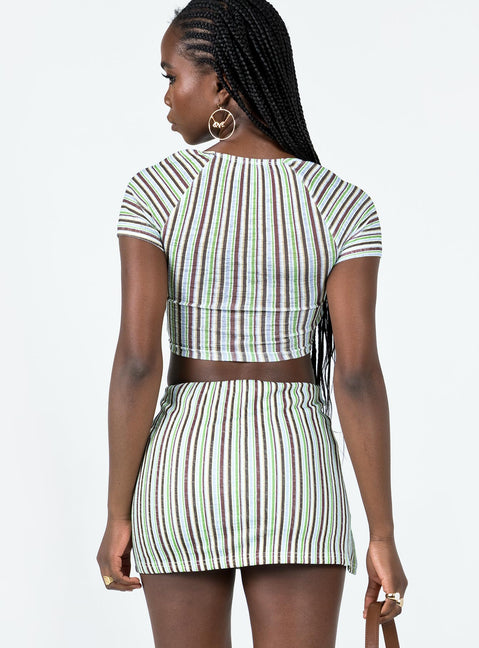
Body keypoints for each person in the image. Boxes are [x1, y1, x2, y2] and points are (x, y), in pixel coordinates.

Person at [96, 1, 408, 646]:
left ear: (220, 84)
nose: (166, 95)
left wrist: (117, 512)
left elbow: (137, 361)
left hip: (184, 468)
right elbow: (355, 376)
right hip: (297, 469)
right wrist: (381, 533)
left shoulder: (156, 192)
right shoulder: (341, 204)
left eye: (171, 76)